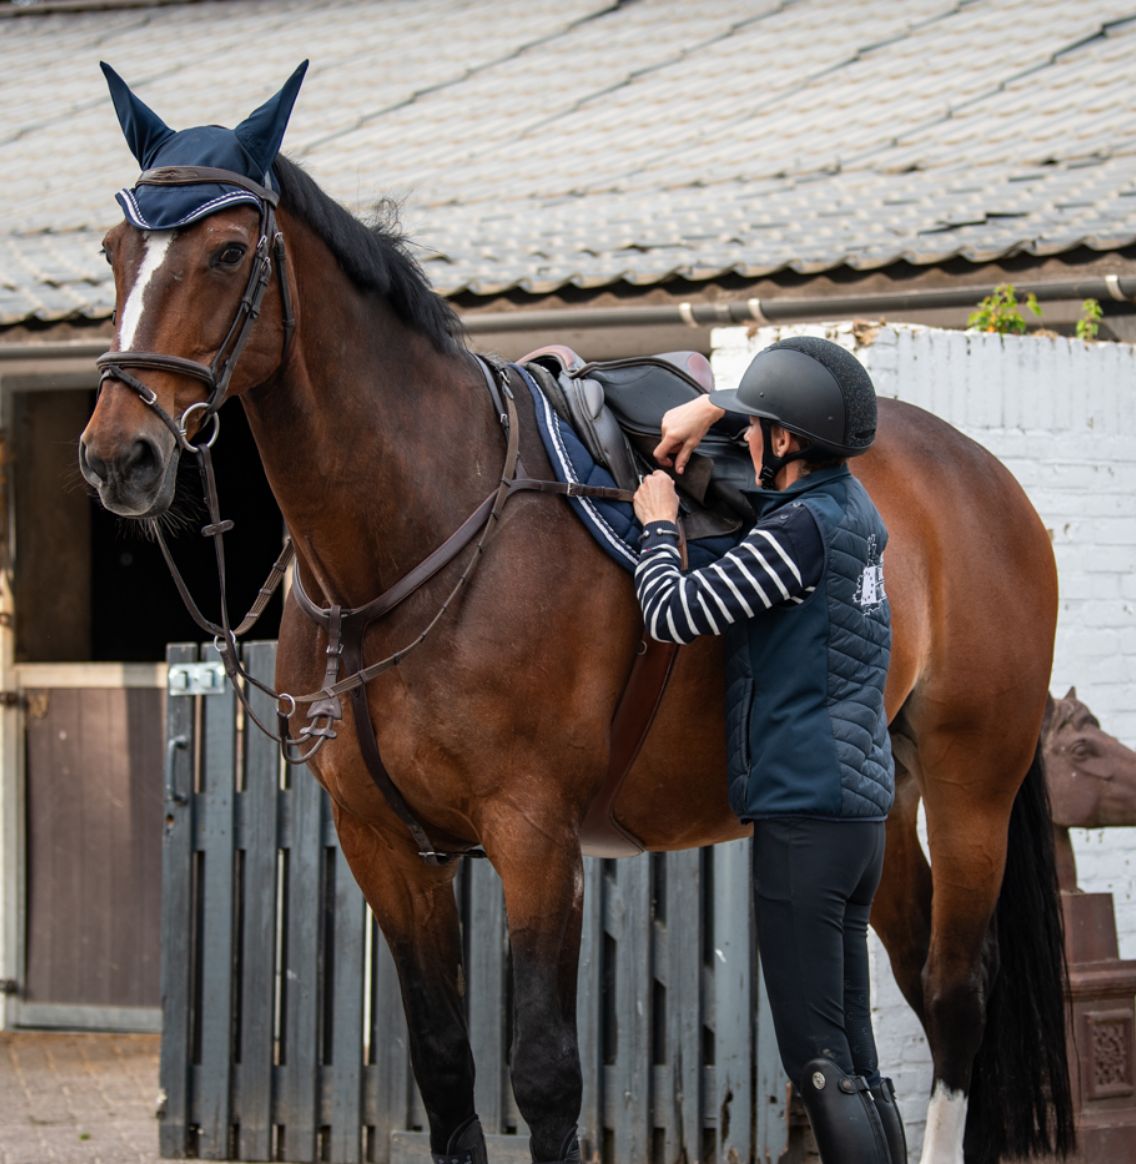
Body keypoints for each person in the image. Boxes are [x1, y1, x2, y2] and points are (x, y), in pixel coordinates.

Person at [632, 336, 904, 1164]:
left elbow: (674, 615)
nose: (745, 440)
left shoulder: (798, 536)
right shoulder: (856, 514)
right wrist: (715, 404)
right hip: (856, 820)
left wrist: (658, 526)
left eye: (756, 429)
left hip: (803, 817)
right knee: (856, 1056)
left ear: (786, 442)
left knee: (817, 1063)